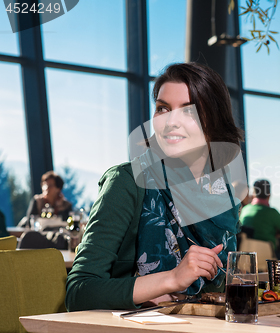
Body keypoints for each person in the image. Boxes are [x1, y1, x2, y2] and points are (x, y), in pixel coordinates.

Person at [66, 62, 244, 311]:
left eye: (188, 111)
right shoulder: (128, 181)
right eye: (163, 109)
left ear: (213, 121)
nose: (171, 121)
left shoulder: (223, 195)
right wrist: (171, 279)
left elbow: (224, 290)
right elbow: (79, 293)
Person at [239, 179, 280, 249]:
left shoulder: (245, 210)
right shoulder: (272, 213)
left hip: (246, 250)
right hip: (267, 252)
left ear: (253, 195)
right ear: (269, 195)